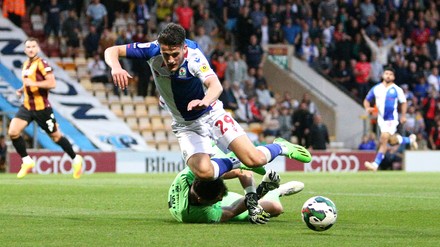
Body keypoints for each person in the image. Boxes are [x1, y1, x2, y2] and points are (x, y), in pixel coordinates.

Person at [104, 23, 311, 182]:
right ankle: (234, 162)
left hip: (211, 113)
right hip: (185, 125)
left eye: (175, 54)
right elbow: (111, 51)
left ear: (184, 48)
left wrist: (204, 101)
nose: (170, 60)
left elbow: (216, 86)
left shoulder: (194, 57)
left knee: (255, 159)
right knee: (203, 172)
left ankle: (280, 147)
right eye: (166, 55)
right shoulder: (151, 50)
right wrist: (116, 67)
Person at [168, 144, 304, 224]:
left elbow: (243, 172)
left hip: (206, 190)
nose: (221, 198)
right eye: (218, 198)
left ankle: (268, 151)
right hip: (200, 209)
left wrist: (252, 201)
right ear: (201, 200)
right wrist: (262, 189)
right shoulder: (197, 214)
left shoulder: (190, 176)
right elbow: (232, 210)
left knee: (240, 166)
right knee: (275, 208)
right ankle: (274, 191)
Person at [7, 38, 83, 179]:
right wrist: (21, 89)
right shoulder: (26, 64)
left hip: (42, 109)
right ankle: (26, 160)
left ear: (38, 49)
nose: (30, 49)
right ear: (25, 50)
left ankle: (75, 158)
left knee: (56, 137)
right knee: (13, 131)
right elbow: (28, 83)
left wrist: (33, 83)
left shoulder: (42, 63)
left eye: (33, 46)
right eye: (28, 47)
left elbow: (52, 83)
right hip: (27, 106)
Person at [363, 67, 418, 171]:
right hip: (381, 120)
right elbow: (366, 100)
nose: (388, 75)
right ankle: (410, 140)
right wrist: (367, 108)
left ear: (393, 77)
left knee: (383, 138)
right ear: (383, 75)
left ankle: (375, 164)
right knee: (392, 141)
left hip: (391, 119)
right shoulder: (376, 88)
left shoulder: (397, 89)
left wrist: (403, 115)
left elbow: (404, 102)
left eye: (390, 74)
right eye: (386, 73)